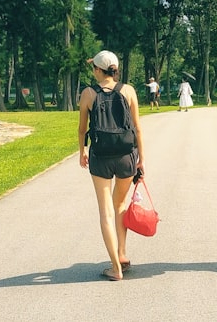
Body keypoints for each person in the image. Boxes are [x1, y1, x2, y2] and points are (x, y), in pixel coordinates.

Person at [78, 50, 145, 281]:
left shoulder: (88, 93)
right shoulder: (128, 91)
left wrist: (81, 152)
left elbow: (81, 128)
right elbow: (137, 127)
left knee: (105, 211)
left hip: (101, 157)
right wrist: (141, 158)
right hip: (126, 155)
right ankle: (123, 254)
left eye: (93, 68)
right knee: (120, 205)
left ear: (98, 70)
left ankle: (115, 267)